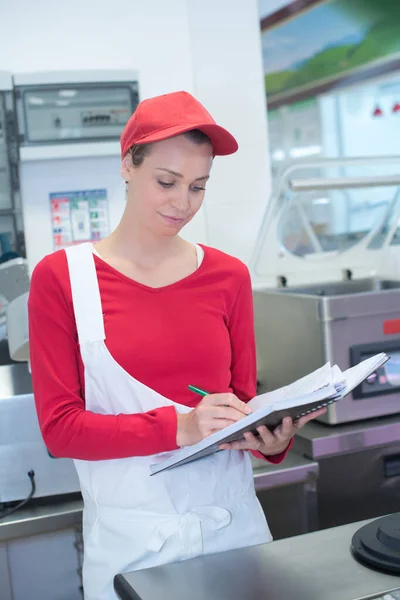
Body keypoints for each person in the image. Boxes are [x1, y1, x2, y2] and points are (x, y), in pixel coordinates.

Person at [28, 91, 325, 600]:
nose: (182, 202)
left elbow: (242, 401)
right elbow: (60, 431)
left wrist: (271, 442)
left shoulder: (228, 276)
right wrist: (181, 426)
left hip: (235, 534)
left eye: (198, 186)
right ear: (128, 165)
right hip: (132, 550)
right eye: (166, 182)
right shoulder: (63, 278)